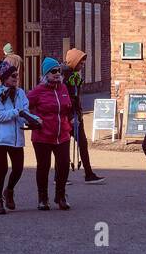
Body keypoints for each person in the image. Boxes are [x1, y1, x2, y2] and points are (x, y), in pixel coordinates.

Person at [0, 60, 39, 214]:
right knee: (2, 169)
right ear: (4, 78)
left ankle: (9, 190)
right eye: (13, 75)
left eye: (17, 75)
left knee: (18, 168)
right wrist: (17, 112)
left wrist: (32, 120)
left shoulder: (21, 93)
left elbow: (25, 110)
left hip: (16, 137)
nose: (16, 78)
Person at [27, 57, 73, 211]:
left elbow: (67, 107)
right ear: (46, 74)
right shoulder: (37, 91)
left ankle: (60, 196)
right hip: (43, 135)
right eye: (53, 71)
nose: (57, 74)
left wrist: (72, 118)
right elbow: (25, 107)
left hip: (62, 134)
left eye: (59, 71)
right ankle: (42, 198)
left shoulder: (63, 88)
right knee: (43, 166)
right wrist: (34, 118)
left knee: (64, 164)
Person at [62, 48, 104, 183]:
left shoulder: (73, 76)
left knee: (80, 144)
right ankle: (63, 176)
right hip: (70, 117)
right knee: (66, 146)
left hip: (75, 115)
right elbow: (68, 99)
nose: (82, 66)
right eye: (80, 63)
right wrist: (72, 116)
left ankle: (87, 173)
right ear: (74, 62)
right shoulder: (67, 78)